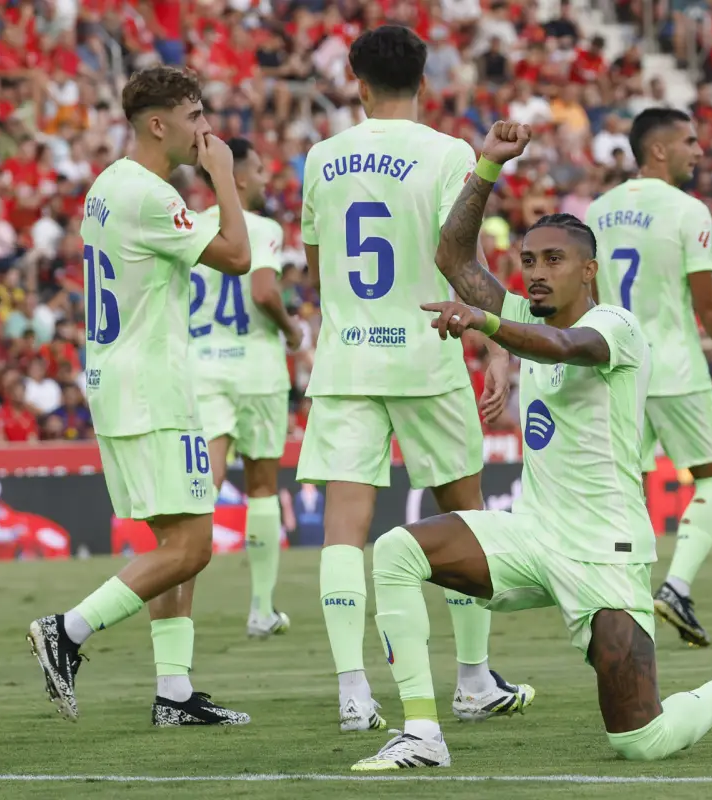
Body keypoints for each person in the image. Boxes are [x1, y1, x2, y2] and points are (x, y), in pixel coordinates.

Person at [350, 120, 712, 772]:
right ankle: (421, 735)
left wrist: (486, 320)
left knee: (640, 741)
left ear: (589, 270)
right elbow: (454, 260)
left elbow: (562, 347)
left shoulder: (616, 325)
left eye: (553, 261)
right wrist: (487, 169)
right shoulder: (525, 316)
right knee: (396, 551)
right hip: (535, 535)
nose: (537, 273)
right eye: (528, 262)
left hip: (607, 551)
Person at [296, 26, 531, 733]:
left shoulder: (322, 157)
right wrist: (499, 347)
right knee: (466, 516)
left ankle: (352, 693)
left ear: (356, 81)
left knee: (344, 531)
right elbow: (460, 258)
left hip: (347, 361)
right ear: (424, 80)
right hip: (429, 351)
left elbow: (315, 267)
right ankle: (471, 679)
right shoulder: (449, 152)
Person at [27, 66, 253, 725]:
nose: (204, 129)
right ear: (159, 125)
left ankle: (174, 694)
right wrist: (225, 177)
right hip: (154, 388)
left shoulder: (106, 187)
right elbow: (237, 255)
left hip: (117, 380)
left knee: (171, 542)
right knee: (192, 548)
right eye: (194, 117)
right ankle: (66, 631)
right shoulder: (151, 195)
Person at [587, 108, 712, 647]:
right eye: (690, 142)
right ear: (658, 151)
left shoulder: (597, 212)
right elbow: (711, 309)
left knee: (629, 488)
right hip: (673, 368)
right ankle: (675, 586)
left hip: (617, 369)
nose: (699, 151)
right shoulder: (688, 211)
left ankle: (623, 599)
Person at [190, 137, 304, 638]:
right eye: (257, 169)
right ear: (236, 175)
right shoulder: (259, 228)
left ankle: (175, 601)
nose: (263, 178)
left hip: (199, 369)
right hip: (255, 369)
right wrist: (291, 328)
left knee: (201, 490)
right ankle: (260, 609)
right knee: (262, 487)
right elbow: (262, 291)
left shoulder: (190, 225)